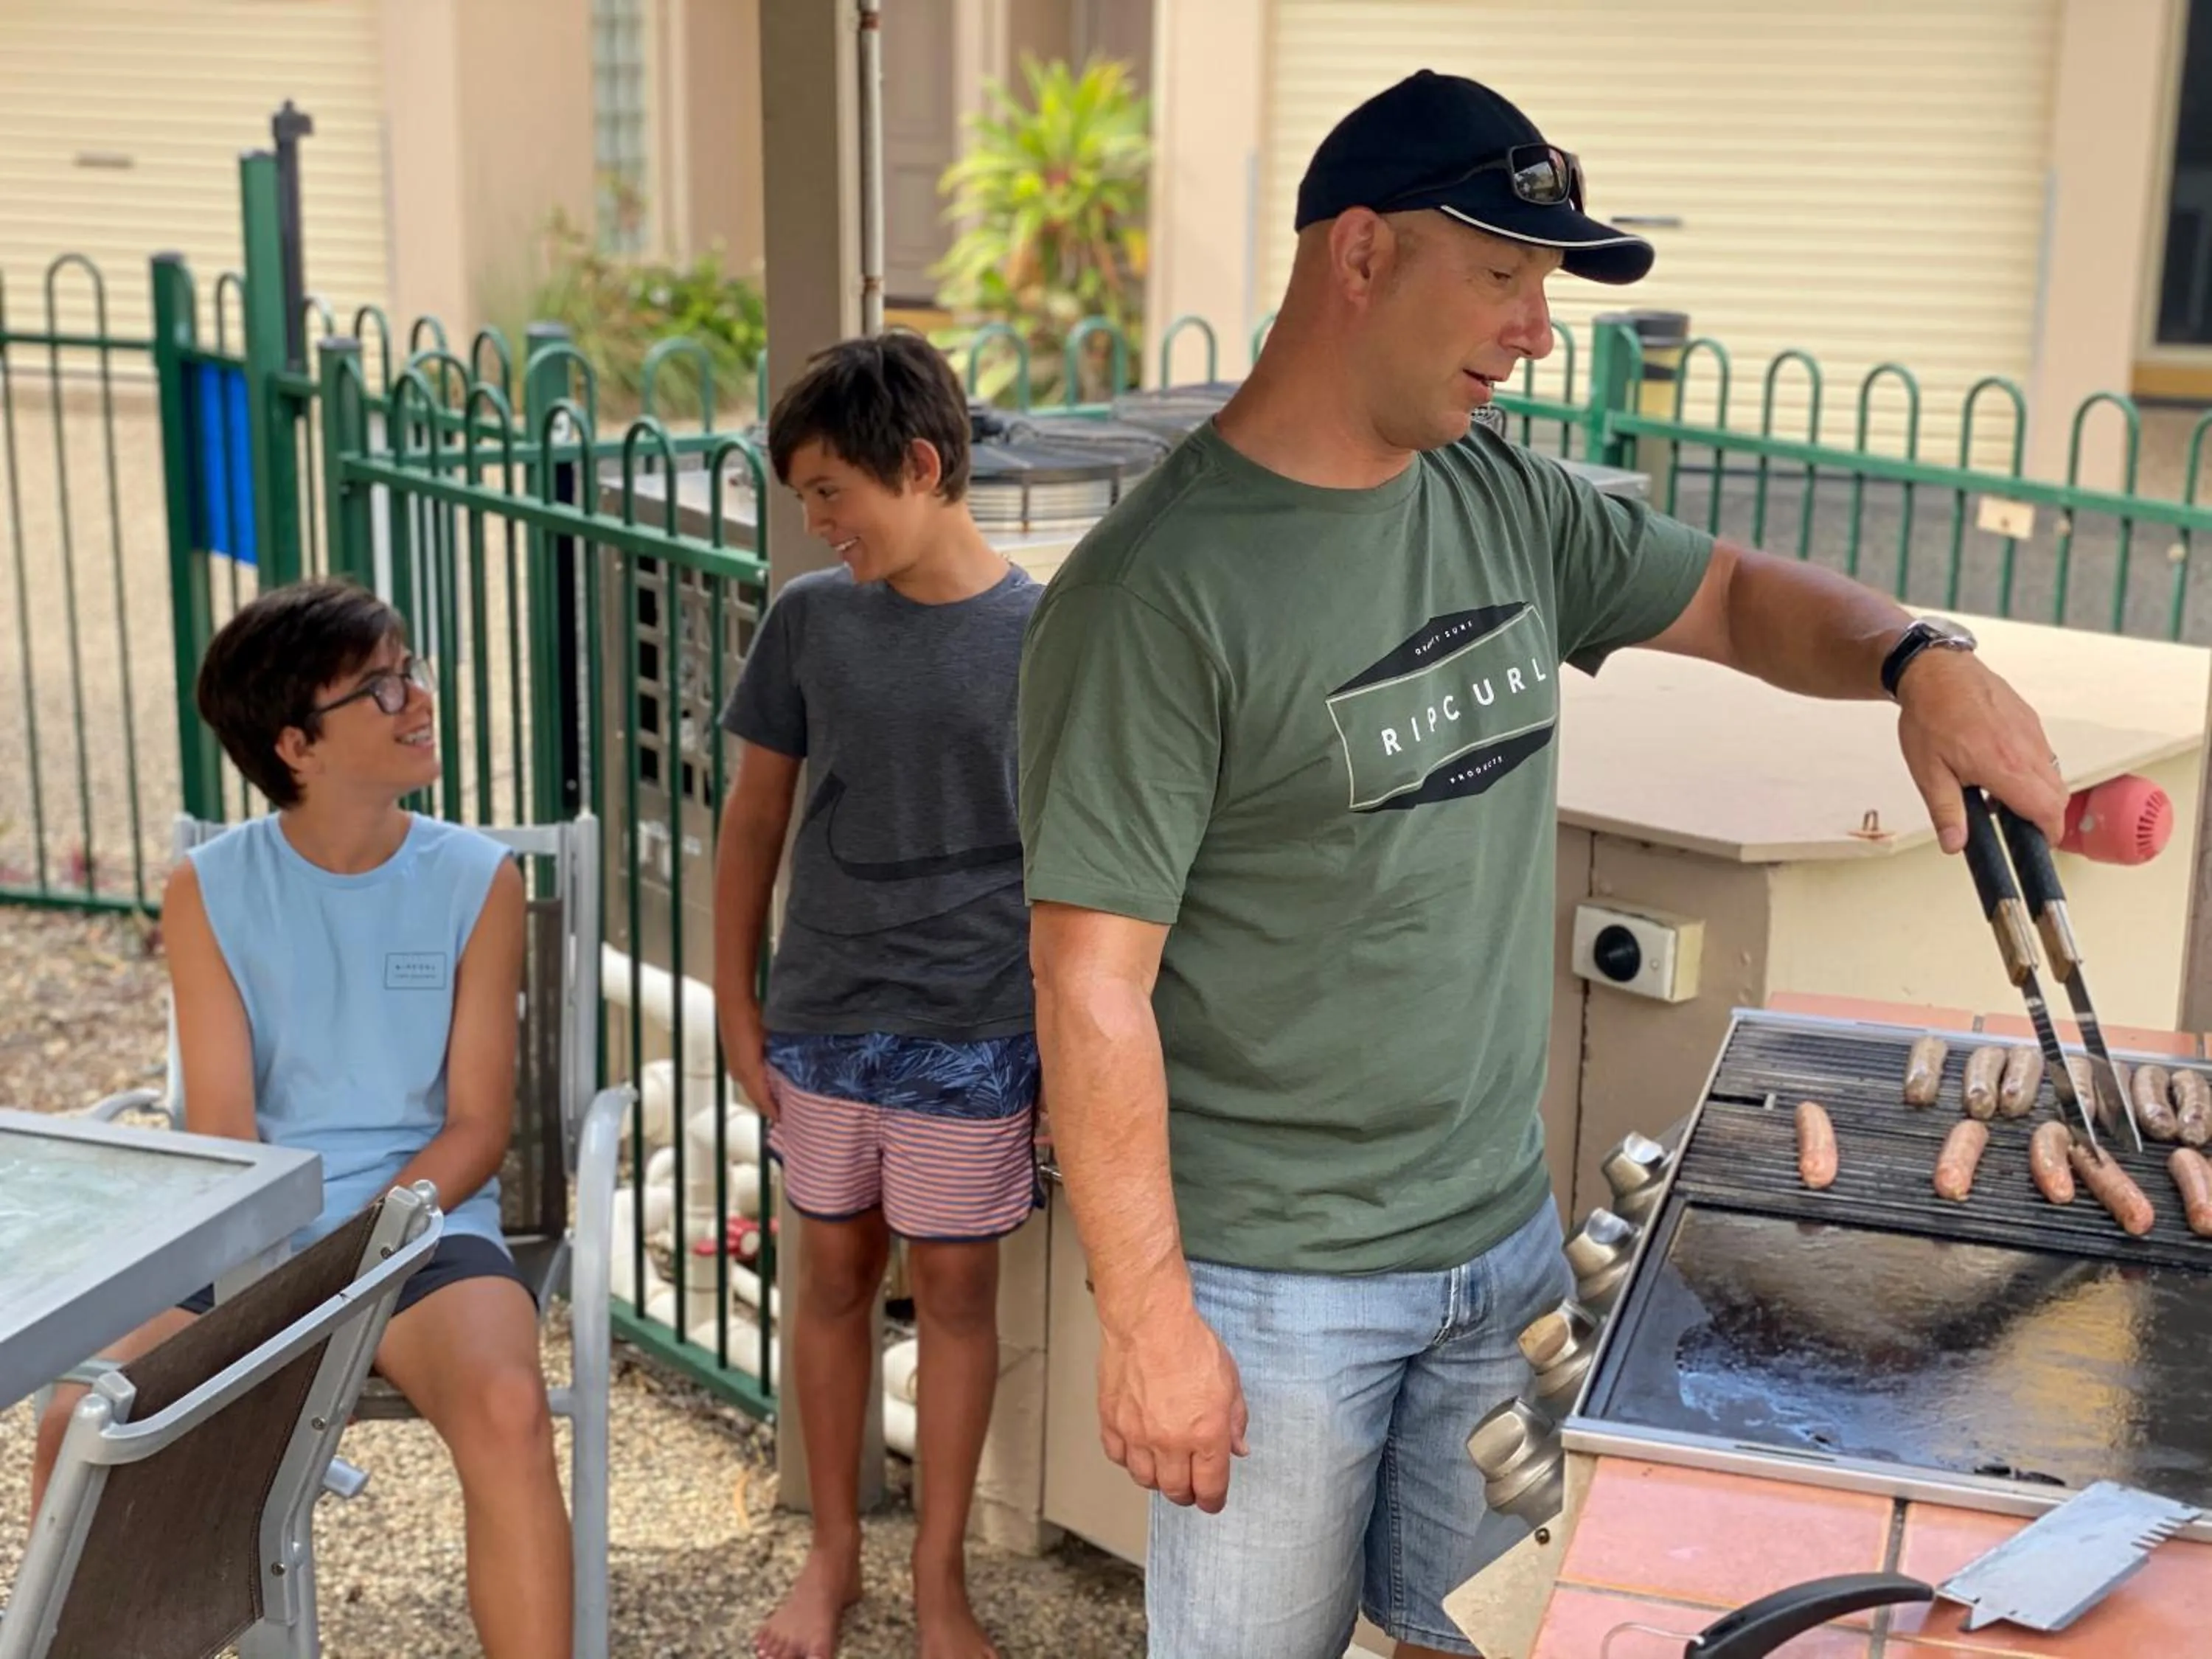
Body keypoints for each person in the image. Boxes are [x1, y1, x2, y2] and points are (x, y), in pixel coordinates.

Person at [1015, 69, 2070, 1659]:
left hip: (1499, 1238)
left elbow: (1731, 597)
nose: (1535, 329)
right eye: (1502, 275)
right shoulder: (1157, 595)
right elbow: (1090, 987)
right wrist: (1150, 1320)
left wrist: (1918, 657)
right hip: (1271, 1288)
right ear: (1359, 257)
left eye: (1543, 286)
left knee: (1488, 1640)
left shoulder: (1499, 499)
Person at [30, 577, 572, 1658]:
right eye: (378, 687)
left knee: (511, 1411)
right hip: (240, 1233)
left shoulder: (479, 879)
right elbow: (228, 1127)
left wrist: (366, 1241)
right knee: (75, 1418)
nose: (417, 696)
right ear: (296, 745)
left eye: (409, 668)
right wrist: (290, 1267)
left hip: (425, 1229)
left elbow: (477, 1123)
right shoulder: (209, 887)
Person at [713, 330, 1043, 1659]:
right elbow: (752, 827)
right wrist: (740, 1016)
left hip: (977, 1031)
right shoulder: (809, 622)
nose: (817, 523)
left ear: (920, 463)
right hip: (823, 1026)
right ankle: (835, 1554)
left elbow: (1086, 862)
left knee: (959, 1297)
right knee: (832, 1277)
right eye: (802, 501)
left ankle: (942, 1582)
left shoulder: (1048, 633)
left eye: (831, 492)